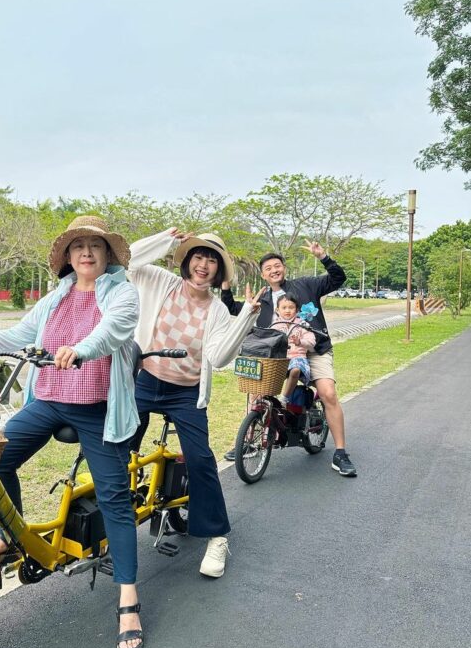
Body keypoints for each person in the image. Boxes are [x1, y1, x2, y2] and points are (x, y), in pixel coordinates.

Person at [0, 216, 145, 648]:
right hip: (48, 400)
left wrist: (83, 349)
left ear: (107, 255)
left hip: (99, 411)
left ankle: (128, 599)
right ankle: (16, 539)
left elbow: (113, 331)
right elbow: (18, 336)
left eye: (95, 245)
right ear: (68, 257)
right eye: (78, 247)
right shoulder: (56, 297)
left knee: (115, 500)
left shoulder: (122, 292)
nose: (86, 252)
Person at [127, 228, 263, 578]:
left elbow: (217, 358)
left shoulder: (218, 310)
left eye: (212, 261)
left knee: (201, 460)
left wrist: (246, 315)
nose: (204, 265)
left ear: (218, 272)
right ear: (187, 260)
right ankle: (119, 516)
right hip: (144, 380)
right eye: (199, 257)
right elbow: (126, 259)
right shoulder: (160, 281)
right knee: (118, 447)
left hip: (186, 392)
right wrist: (167, 240)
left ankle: (217, 536)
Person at [221, 240, 356, 477]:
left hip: (313, 350)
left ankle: (341, 453)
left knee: (328, 393)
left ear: (284, 267)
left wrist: (323, 256)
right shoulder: (262, 300)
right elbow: (232, 307)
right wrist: (225, 285)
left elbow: (337, 278)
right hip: (277, 355)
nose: (274, 270)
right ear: (263, 275)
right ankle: (250, 440)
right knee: (257, 392)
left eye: (277, 265)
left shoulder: (305, 285)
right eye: (268, 268)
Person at [271, 292, 316, 405]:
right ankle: (266, 399)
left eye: (291, 307)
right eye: (284, 307)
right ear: (277, 310)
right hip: (280, 359)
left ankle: (284, 398)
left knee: (295, 369)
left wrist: (300, 342)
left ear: (297, 310)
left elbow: (311, 342)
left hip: (297, 357)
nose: (287, 310)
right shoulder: (275, 325)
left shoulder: (301, 324)